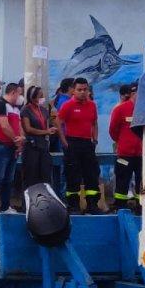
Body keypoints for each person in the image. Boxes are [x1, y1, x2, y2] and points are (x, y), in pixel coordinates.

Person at [58, 77, 102, 214]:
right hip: (72, 143)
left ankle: (93, 205)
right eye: (79, 90)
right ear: (73, 91)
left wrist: (95, 139)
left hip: (87, 144)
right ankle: (74, 206)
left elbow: (94, 123)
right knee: (73, 176)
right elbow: (58, 123)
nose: (82, 92)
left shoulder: (92, 105)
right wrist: (64, 141)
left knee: (91, 175)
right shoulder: (67, 105)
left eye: (85, 89)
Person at [0, 82, 24, 219]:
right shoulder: (0, 105)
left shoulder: (16, 108)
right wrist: (16, 139)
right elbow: (4, 126)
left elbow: (19, 125)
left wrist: (20, 140)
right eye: (19, 93)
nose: (20, 96)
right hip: (0, 146)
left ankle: (5, 206)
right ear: (13, 92)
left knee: (8, 179)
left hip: (13, 147)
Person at [109, 82, 142, 212]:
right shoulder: (121, 109)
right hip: (125, 154)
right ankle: (120, 206)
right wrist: (122, 142)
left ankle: (141, 206)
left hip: (141, 154)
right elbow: (113, 130)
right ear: (133, 94)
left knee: (142, 180)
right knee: (122, 180)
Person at [20, 85, 56, 191]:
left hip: (43, 145)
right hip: (31, 146)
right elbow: (28, 129)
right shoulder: (26, 110)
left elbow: (49, 122)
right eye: (40, 96)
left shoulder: (44, 110)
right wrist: (46, 132)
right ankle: (28, 204)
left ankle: (45, 203)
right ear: (33, 97)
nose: (42, 98)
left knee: (45, 175)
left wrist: (52, 129)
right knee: (31, 176)